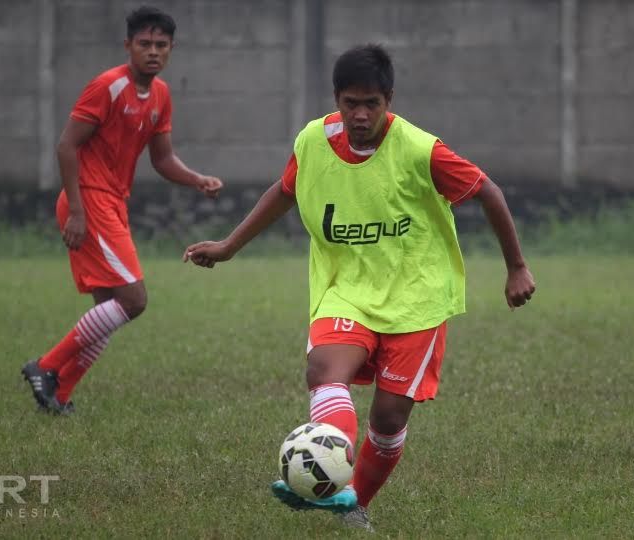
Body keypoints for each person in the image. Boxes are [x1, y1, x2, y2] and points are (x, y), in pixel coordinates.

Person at [183, 44, 535, 531]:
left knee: (388, 421)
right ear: (336, 99)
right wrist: (228, 246)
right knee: (325, 369)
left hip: (417, 299)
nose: (361, 114)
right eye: (351, 103)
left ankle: (352, 501)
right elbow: (285, 191)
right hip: (345, 290)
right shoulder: (313, 140)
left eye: (371, 103)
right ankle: (324, 473)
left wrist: (516, 267)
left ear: (389, 99)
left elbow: (488, 191)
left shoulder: (419, 149)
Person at [21, 6, 224, 415]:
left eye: (161, 45)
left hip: (112, 203)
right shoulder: (108, 86)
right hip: (89, 200)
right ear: (128, 45)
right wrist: (77, 212)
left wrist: (196, 179)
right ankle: (44, 366)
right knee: (133, 300)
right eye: (144, 44)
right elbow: (66, 145)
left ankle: (58, 395)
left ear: (171, 49)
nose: (153, 51)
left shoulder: (161, 95)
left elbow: (162, 158)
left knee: (107, 311)